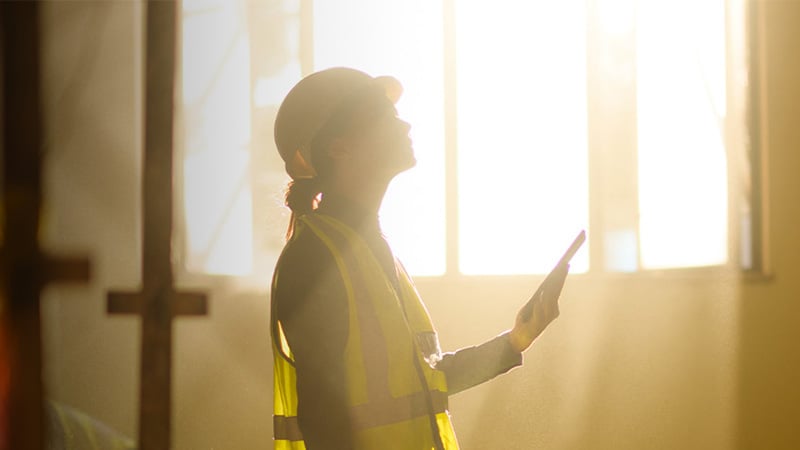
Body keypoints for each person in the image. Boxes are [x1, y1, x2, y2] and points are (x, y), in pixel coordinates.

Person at [270, 67, 570, 450]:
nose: (405, 124)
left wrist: (515, 340)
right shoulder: (314, 260)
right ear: (337, 146)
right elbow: (324, 420)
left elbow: (426, 378)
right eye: (384, 115)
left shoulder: (371, 250)